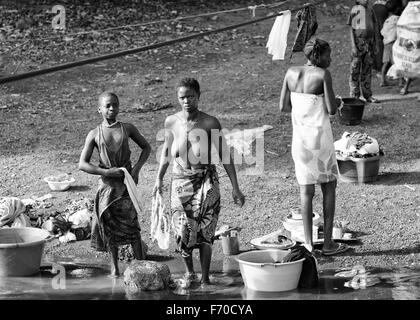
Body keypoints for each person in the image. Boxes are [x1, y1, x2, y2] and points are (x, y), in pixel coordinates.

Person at [153, 77, 245, 287]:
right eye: (182, 97)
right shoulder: (171, 121)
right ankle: (189, 273)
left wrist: (236, 188)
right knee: (182, 228)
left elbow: (224, 155)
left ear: (198, 97)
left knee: (206, 231)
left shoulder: (209, 122)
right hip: (180, 181)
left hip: (206, 181)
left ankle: (205, 277)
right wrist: (158, 178)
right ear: (178, 98)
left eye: (191, 97)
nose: (187, 101)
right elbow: (166, 152)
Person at [279, 38, 349, 256]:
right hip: (320, 142)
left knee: (306, 191)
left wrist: (304, 107)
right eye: (328, 55)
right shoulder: (322, 74)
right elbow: (331, 110)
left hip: (299, 142)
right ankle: (328, 244)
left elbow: (283, 106)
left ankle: (308, 244)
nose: (331, 58)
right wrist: (336, 102)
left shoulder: (291, 72)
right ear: (318, 56)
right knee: (329, 187)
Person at [79, 91, 151, 277]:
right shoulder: (94, 134)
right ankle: (114, 268)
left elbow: (146, 147)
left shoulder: (128, 128)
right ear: (99, 109)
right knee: (109, 227)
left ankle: (140, 266)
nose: (112, 109)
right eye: (107, 106)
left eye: (115, 105)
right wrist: (105, 172)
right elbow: (83, 164)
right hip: (106, 187)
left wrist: (135, 170)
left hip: (125, 184)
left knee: (132, 226)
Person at [348, 0, 381, 103]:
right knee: (355, 70)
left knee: (367, 70)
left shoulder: (371, 10)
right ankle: (355, 96)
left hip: (370, 44)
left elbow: (375, 27)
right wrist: (353, 46)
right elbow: (351, 29)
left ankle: (368, 95)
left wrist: (376, 43)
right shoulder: (355, 10)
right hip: (359, 43)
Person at [380, 0, 402, 87]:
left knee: (385, 63)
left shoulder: (387, 21)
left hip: (386, 44)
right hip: (393, 44)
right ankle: (401, 81)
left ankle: (382, 80)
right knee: (397, 62)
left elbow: (382, 32)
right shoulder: (398, 18)